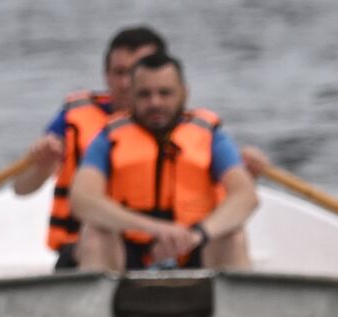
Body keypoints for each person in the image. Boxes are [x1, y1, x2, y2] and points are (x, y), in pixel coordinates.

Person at [70, 53, 258, 272]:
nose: (155, 103)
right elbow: (82, 199)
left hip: (194, 247)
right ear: (131, 97)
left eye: (165, 93)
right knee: (95, 233)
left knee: (232, 235)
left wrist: (197, 234)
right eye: (145, 95)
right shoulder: (108, 138)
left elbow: (246, 196)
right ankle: (97, 304)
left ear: (184, 93)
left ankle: (232, 304)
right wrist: (156, 229)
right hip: (130, 252)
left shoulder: (211, 137)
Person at [13, 25, 169, 271]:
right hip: (87, 248)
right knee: (99, 234)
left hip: (167, 249)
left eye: (136, 72)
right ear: (106, 75)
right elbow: (21, 187)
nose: (126, 83)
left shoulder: (187, 126)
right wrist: (41, 168)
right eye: (119, 72)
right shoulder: (75, 118)